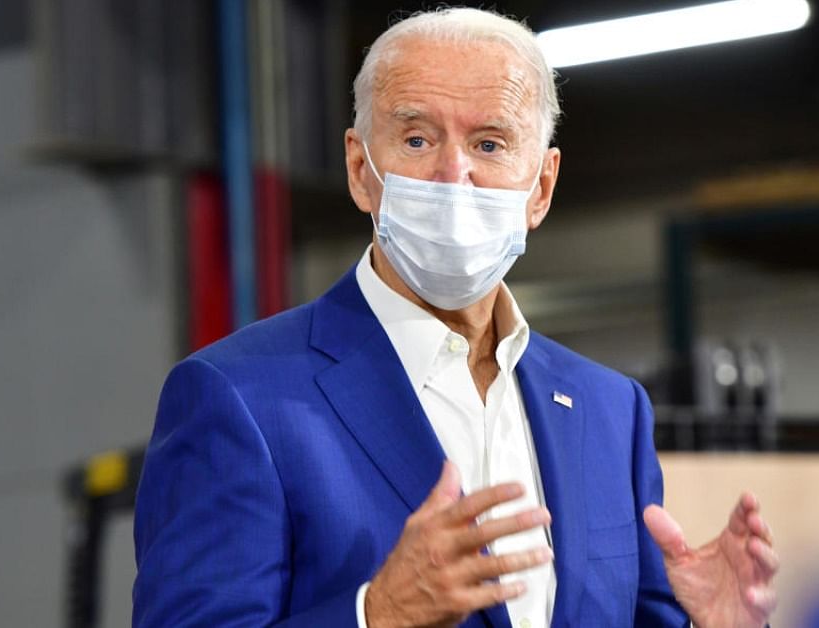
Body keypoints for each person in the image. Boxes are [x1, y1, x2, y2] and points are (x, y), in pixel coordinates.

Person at [133, 8, 778, 628]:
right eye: (417, 138)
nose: (453, 174)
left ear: (542, 189)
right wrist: (376, 616)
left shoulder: (610, 410)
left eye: (489, 142)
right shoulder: (239, 398)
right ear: (361, 170)